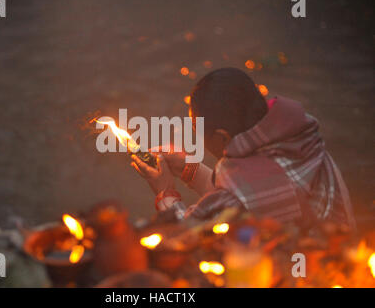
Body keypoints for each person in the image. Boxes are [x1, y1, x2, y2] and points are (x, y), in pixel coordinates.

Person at [131, 68, 356, 231]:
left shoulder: (241, 197)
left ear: (221, 137)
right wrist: (189, 167)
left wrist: (165, 192)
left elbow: (189, 237)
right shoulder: (302, 138)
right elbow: (239, 193)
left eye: (196, 128)